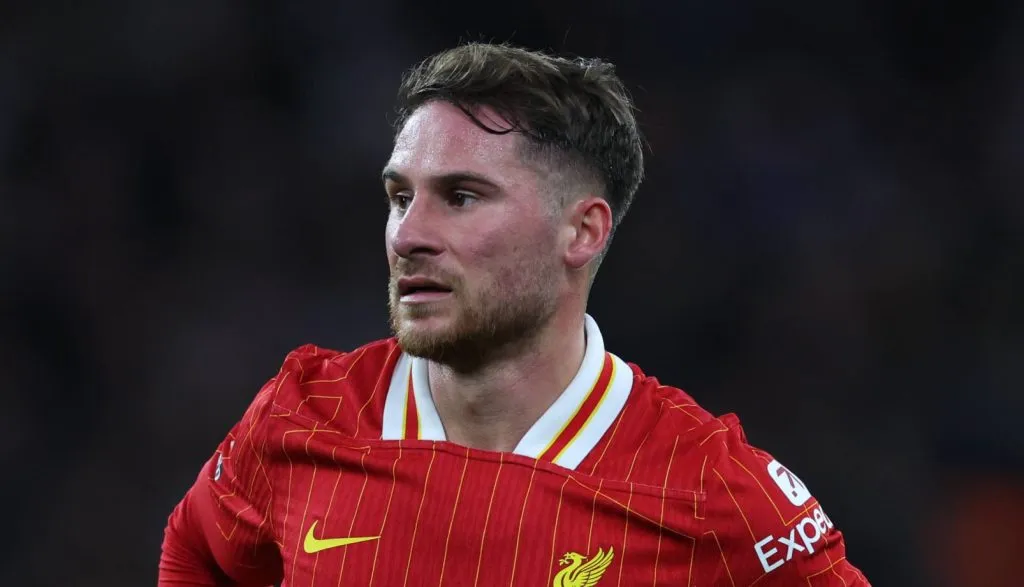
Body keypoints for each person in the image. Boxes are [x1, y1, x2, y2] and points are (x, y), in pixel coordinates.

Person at [159, 42, 871, 586]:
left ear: (583, 231)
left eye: (461, 196)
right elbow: (195, 552)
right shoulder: (300, 416)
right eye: (400, 197)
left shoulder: (709, 489)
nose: (408, 234)